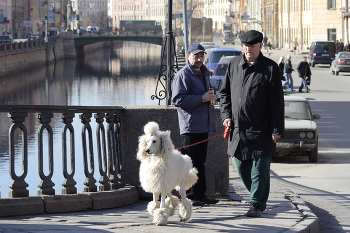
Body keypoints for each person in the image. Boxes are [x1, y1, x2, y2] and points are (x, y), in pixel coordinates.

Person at [219, 30, 284, 218]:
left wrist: (276, 129)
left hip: (262, 130)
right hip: (239, 130)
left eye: (252, 46)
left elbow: (277, 103)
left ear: (260, 46)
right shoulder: (233, 65)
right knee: (241, 166)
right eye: (246, 46)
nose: (248, 50)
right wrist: (226, 115)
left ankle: (256, 203)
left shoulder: (271, 68)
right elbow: (224, 94)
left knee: (260, 169)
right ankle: (258, 195)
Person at [172, 43, 218, 206]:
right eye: (195, 56)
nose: (199, 59)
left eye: (201, 56)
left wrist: (210, 97)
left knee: (200, 162)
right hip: (190, 126)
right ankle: (189, 196)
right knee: (188, 163)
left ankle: (200, 194)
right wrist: (201, 98)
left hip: (203, 125)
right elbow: (177, 100)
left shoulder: (204, 72)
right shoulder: (183, 74)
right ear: (188, 56)